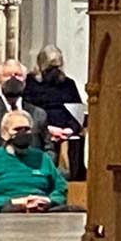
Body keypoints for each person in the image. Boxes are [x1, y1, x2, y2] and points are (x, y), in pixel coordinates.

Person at [23, 45, 86, 181]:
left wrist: (69, 129)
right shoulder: (30, 83)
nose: (55, 71)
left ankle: (74, 177)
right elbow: (28, 110)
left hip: (67, 131)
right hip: (41, 127)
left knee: (76, 144)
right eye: (51, 68)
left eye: (58, 67)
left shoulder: (68, 84)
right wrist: (49, 129)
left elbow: (77, 110)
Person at [0, 110, 67, 213]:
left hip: (42, 212)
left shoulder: (42, 157)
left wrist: (48, 200)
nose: (23, 133)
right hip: (6, 213)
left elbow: (61, 187)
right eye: (17, 129)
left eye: (27, 129)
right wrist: (16, 202)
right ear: (4, 133)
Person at [0, 60, 56, 162]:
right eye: (7, 75)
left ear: (24, 80)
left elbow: (49, 149)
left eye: (18, 75)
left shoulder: (39, 114)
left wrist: (43, 168)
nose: (13, 78)